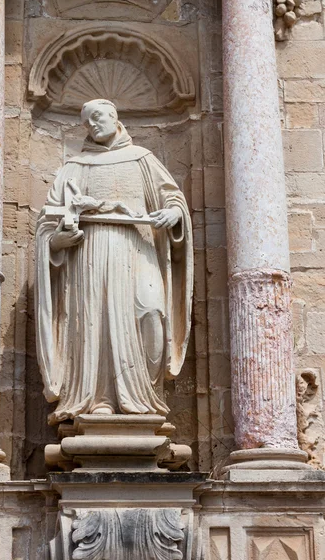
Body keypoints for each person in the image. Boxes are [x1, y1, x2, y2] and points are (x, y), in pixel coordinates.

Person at [35, 99, 193, 424]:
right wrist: (56, 241)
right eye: (86, 121)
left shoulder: (143, 160)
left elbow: (173, 197)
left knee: (151, 312)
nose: (92, 125)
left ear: (114, 116)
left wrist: (174, 214)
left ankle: (146, 396)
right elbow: (49, 221)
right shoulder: (74, 167)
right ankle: (100, 398)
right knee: (96, 320)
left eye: (96, 117)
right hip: (89, 256)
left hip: (137, 249)